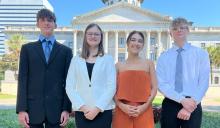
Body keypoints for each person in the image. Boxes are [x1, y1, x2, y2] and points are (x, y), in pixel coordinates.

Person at [16, 9, 72, 128]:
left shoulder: (66, 51)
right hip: (32, 109)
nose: (47, 23)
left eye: (50, 20)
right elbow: (22, 80)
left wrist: (66, 109)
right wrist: (22, 109)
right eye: (43, 20)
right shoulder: (27, 49)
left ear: (55, 25)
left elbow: (69, 82)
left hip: (57, 110)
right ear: (38, 24)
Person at [156, 17, 210, 128]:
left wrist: (189, 105)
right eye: (175, 28)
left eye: (182, 27)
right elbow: (161, 83)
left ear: (188, 30)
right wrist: (181, 100)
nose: (179, 30)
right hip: (170, 103)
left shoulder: (201, 54)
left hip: (193, 103)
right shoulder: (163, 57)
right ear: (170, 33)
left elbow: (204, 82)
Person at [66, 23, 116, 128]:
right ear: (85, 36)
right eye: (90, 34)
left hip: (103, 111)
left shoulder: (108, 59)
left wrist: (97, 109)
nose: (93, 36)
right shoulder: (76, 60)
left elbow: (111, 87)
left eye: (97, 34)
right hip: (82, 111)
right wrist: (83, 108)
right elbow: (69, 87)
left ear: (101, 37)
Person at [112, 31, 157, 128]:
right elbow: (112, 90)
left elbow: (154, 87)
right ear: (127, 43)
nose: (136, 43)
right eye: (133, 40)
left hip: (144, 111)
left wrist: (144, 107)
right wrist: (121, 106)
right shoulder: (118, 66)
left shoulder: (149, 63)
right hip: (122, 111)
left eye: (140, 41)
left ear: (143, 45)